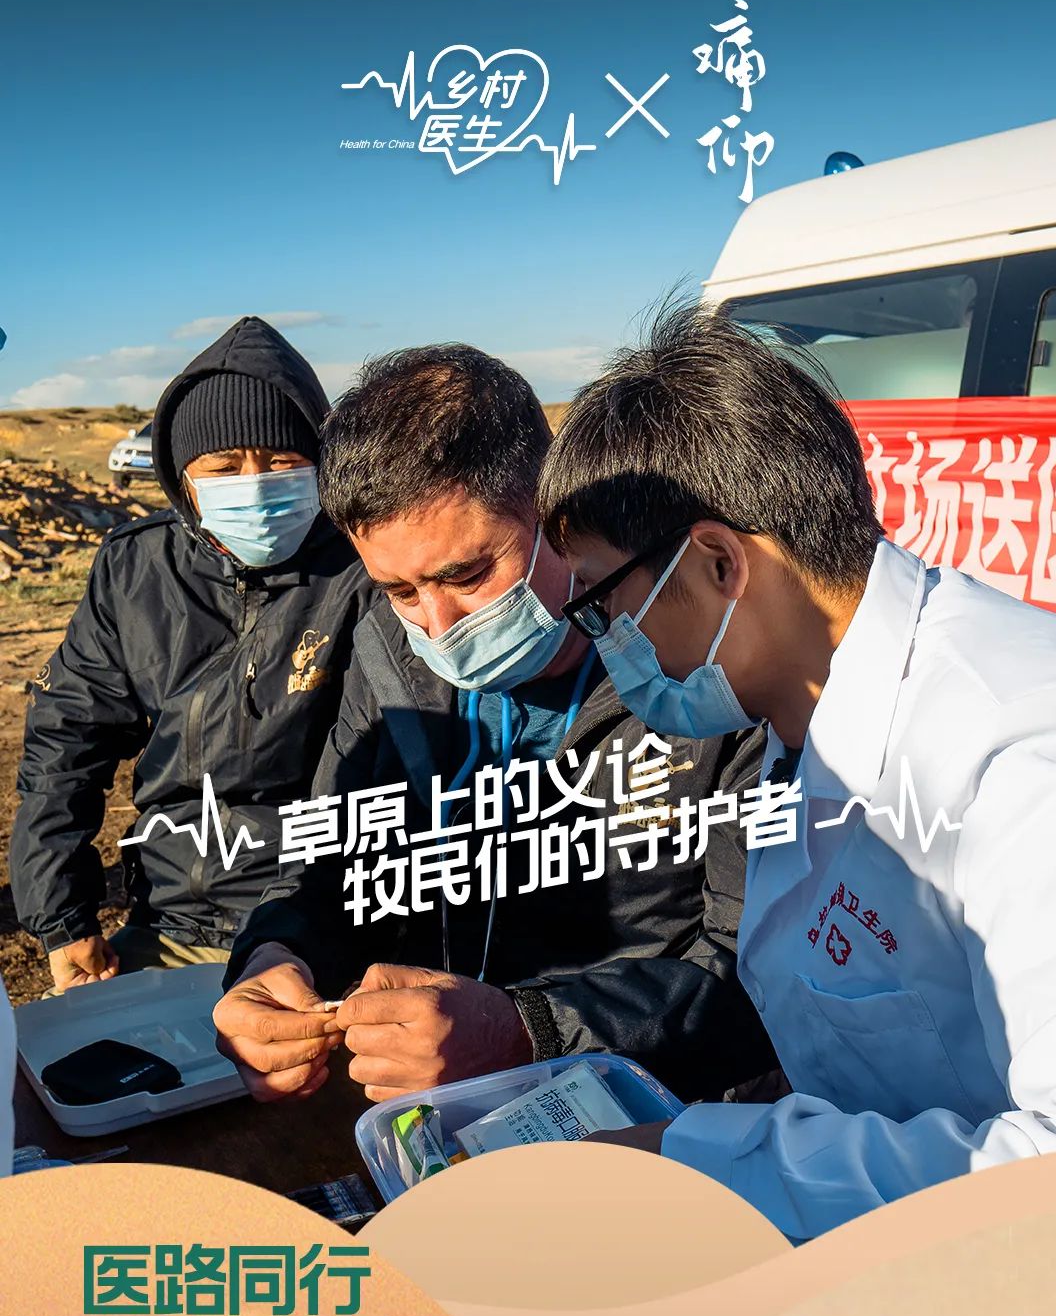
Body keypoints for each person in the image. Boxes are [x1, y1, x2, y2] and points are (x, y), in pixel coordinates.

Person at [536, 300, 1056, 1240]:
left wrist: (701, 1166)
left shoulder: (1025, 754)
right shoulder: (800, 718)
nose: (607, 645)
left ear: (718, 563)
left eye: (603, 605)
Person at [214, 344, 774, 1105]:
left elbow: (762, 965)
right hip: (446, 1103)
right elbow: (332, 865)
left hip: (666, 1112)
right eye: (400, 590)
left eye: (469, 575)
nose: (439, 625)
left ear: (554, 516)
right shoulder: (386, 654)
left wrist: (530, 1032)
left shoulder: (695, 657)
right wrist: (277, 955)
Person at [11, 318, 371, 990]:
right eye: (225, 467)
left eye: (281, 461)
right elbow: (67, 737)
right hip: (172, 920)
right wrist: (63, 918)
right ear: (184, 479)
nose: (255, 484)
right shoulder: (136, 568)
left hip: (326, 923)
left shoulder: (367, 568)